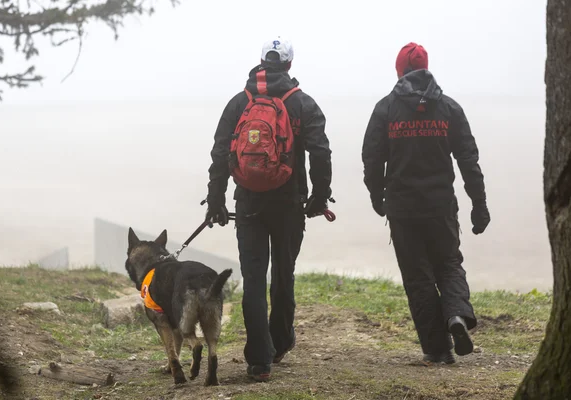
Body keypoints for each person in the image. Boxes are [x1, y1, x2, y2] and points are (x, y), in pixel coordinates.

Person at [205, 36, 333, 381]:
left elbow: (220, 153)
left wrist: (215, 200)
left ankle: (258, 361)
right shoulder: (302, 104)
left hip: (247, 203)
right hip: (289, 203)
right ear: (289, 66)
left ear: (261, 63)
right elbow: (321, 153)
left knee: (253, 280)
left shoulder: (239, 103)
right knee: (283, 273)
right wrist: (320, 197)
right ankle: (281, 341)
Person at [361, 42, 491, 364]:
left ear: (399, 71)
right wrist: (479, 203)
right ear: (426, 69)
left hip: (403, 210)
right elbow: (468, 159)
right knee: (448, 264)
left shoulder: (385, 109)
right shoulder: (448, 108)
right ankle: (457, 315)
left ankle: (437, 349)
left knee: (418, 277)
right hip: (441, 207)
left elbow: (372, 159)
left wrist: (377, 195)